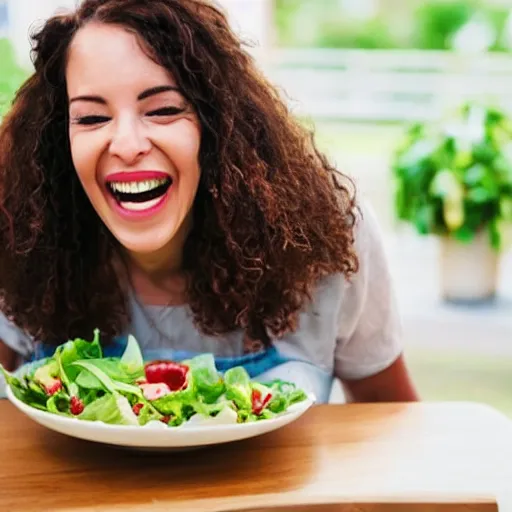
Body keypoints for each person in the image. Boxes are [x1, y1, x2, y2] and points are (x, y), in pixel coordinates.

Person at [0, 0, 418, 403]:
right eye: (92, 118)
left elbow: (389, 418)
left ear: (217, 126)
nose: (126, 145)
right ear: (59, 139)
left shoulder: (330, 236)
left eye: (163, 109)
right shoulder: (16, 232)